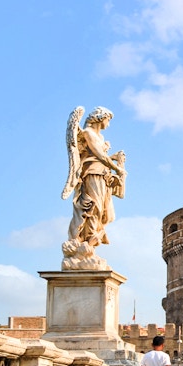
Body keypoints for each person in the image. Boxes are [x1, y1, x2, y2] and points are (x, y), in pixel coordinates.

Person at [62, 106, 127, 270]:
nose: (108, 124)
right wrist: (117, 168)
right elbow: (98, 155)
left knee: (105, 214)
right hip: (92, 175)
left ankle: (89, 247)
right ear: (100, 117)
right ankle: (85, 245)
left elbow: (100, 155)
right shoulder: (88, 133)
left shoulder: (99, 135)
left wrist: (116, 158)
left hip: (103, 177)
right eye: (108, 120)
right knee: (94, 209)